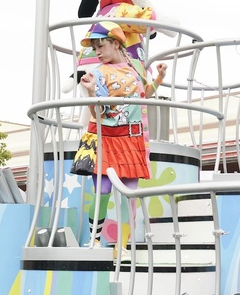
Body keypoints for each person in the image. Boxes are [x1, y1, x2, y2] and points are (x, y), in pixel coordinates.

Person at [70, 21, 167, 261]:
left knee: (129, 195)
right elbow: (98, 113)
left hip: (132, 139)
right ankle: (94, 240)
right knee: (102, 191)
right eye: (94, 48)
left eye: (100, 46)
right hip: (107, 137)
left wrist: (159, 79)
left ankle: (122, 245)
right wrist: (91, 92)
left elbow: (144, 94)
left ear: (115, 43)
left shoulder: (135, 67)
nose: (97, 52)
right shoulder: (97, 73)